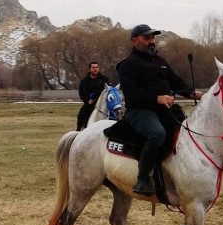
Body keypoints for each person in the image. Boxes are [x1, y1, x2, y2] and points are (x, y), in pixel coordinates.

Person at [117, 24, 202, 196]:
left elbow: (176, 82)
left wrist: (191, 93)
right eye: (146, 38)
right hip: (139, 112)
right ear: (135, 41)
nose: (151, 41)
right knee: (157, 134)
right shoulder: (127, 64)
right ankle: (142, 179)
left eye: (153, 38)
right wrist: (157, 98)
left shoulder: (160, 61)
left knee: (185, 128)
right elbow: (131, 94)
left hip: (163, 110)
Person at [76, 61, 110, 130]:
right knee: (81, 115)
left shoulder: (104, 79)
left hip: (103, 103)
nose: (95, 69)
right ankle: (79, 130)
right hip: (90, 104)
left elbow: (109, 90)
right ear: (90, 69)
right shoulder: (85, 81)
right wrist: (87, 101)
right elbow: (82, 93)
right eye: (93, 67)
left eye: (97, 67)